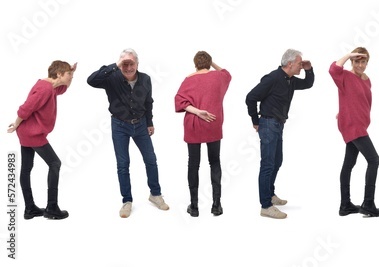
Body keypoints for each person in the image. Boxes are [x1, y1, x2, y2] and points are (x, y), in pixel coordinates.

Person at [87, 49, 169, 218]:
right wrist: (116, 65)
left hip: (140, 125)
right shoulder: (111, 77)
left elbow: (148, 102)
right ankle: (127, 201)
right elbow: (91, 80)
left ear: (137, 64)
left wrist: (150, 122)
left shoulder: (145, 79)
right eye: (125, 64)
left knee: (151, 160)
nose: (128, 67)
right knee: (123, 164)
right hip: (119, 125)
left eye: (131, 63)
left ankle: (155, 194)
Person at [245, 49, 315, 219]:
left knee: (277, 161)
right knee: (268, 164)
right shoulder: (273, 78)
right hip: (268, 124)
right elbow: (250, 97)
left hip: (278, 124)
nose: (301, 65)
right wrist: (256, 120)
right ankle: (266, 206)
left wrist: (309, 69)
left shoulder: (290, 80)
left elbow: (308, 84)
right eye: (299, 63)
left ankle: (270, 194)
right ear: (290, 64)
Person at [7, 60, 76, 220]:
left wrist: (73, 71)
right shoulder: (44, 89)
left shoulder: (50, 87)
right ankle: (52, 207)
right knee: (55, 163)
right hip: (32, 133)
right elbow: (26, 108)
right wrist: (15, 124)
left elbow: (63, 89)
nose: (71, 77)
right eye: (69, 74)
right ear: (59, 74)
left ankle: (30, 209)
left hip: (27, 132)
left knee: (26, 167)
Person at [174, 51, 231, 217]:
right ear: (210, 62)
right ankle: (216, 205)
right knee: (214, 162)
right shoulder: (219, 77)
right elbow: (227, 73)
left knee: (193, 163)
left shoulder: (188, 80)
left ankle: (194, 206)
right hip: (213, 123)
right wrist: (212, 64)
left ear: (195, 63)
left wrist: (198, 112)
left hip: (194, 124)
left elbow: (179, 101)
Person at [331, 47, 379, 217]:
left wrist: (344, 110)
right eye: (357, 61)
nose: (360, 65)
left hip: (358, 123)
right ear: (352, 62)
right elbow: (333, 69)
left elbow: (356, 99)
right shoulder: (345, 76)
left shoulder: (367, 80)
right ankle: (368, 203)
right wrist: (347, 55)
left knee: (349, 163)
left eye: (363, 61)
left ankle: (345, 205)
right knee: (374, 160)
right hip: (353, 125)